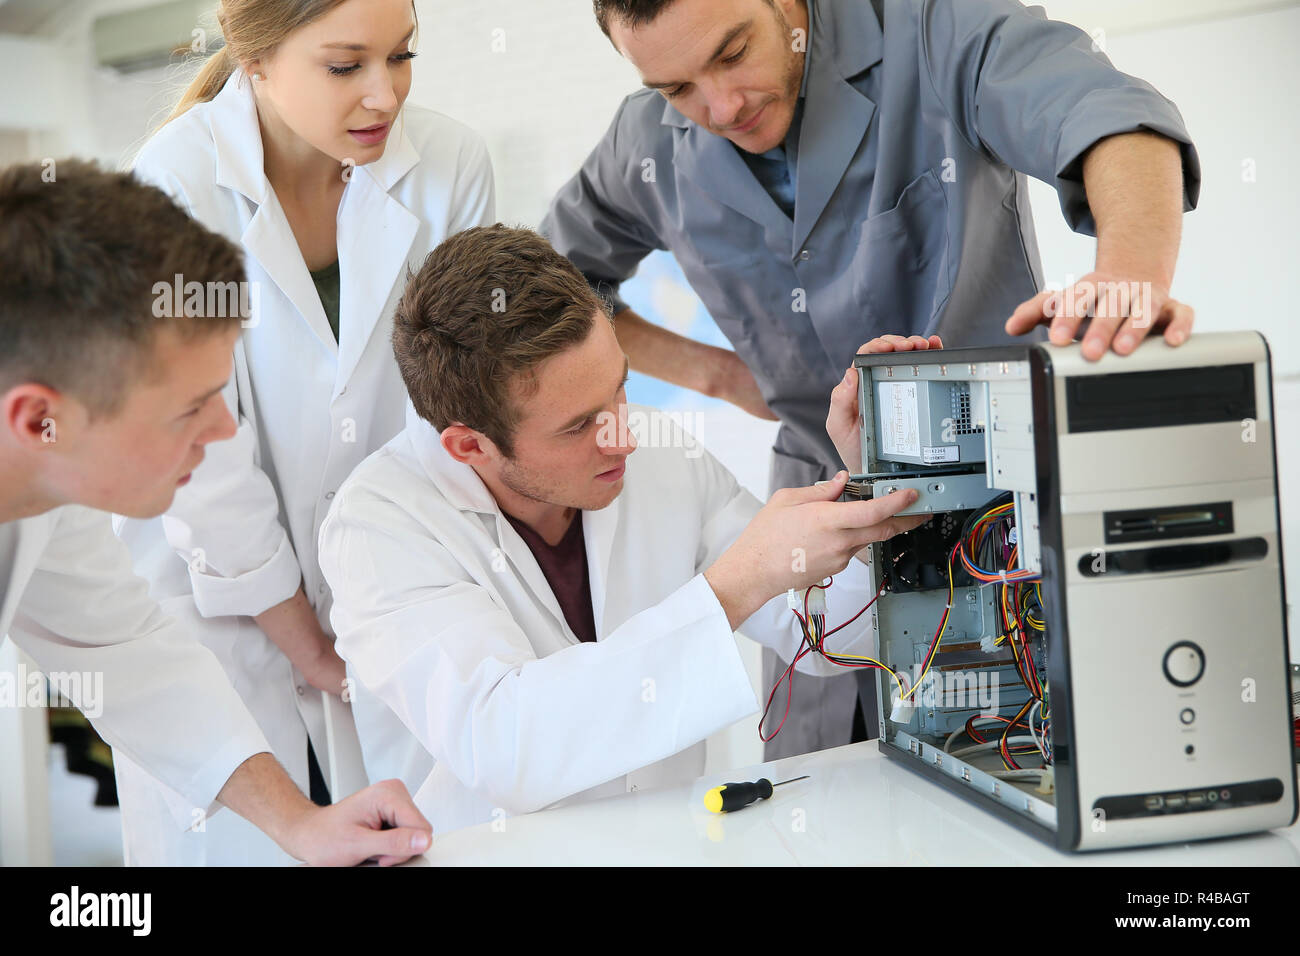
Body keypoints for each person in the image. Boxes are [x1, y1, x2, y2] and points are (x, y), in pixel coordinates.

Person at [542, 0, 1201, 761]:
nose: (719, 107)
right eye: (676, 88)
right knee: (823, 794)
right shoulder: (646, 144)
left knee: (1025, 762)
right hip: (819, 514)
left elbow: (1111, 119)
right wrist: (719, 376)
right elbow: (553, 286)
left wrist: (1127, 279)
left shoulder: (933, 31)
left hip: (998, 498)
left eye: (733, 54)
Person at [317, 225, 927, 833]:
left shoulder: (662, 457)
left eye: (620, 389)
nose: (624, 436)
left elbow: (821, 634)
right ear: (469, 445)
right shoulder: (378, 528)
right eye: (579, 426)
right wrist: (738, 583)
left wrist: (871, 482)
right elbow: (505, 745)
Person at [111, 0, 494, 864]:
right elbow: (200, 457)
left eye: (402, 57)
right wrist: (309, 645)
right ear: (255, 61)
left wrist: (390, 612)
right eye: (345, 65)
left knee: (424, 835)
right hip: (218, 610)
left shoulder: (450, 164)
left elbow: (453, 403)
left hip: (394, 588)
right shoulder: (174, 180)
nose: (384, 95)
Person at [0, 158, 431, 867]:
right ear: (41, 417)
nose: (224, 431)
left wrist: (301, 823)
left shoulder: (44, 479)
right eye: (189, 407)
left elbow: (123, 653)